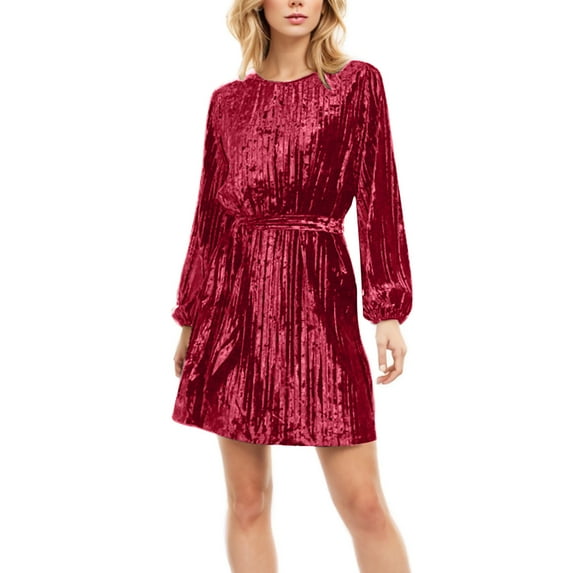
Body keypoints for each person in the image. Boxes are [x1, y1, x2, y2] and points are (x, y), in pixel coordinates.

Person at [171, 1, 413, 571]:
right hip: (237, 308)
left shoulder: (356, 85)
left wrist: (387, 308)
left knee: (363, 503)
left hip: (320, 301)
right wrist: (189, 316)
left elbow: (379, 195)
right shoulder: (228, 103)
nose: (298, 1)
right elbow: (210, 217)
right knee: (247, 501)